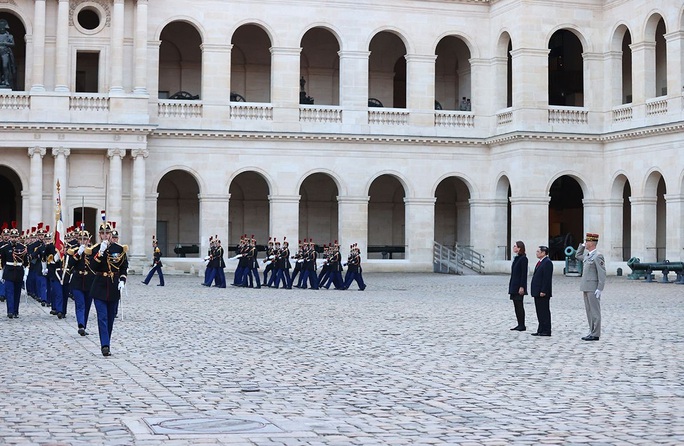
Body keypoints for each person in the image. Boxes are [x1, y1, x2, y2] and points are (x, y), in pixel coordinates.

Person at [87, 221, 128, 357]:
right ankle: (105, 345)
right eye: (103, 233)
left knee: (110, 318)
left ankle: (107, 341)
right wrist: (101, 252)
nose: (105, 236)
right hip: (99, 286)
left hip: (113, 286)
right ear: (99, 235)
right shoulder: (95, 249)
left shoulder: (119, 249)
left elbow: (123, 267)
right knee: (102, 317)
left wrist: (122, 280)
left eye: (108, 233)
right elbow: (92, 266)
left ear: (111, 234)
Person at [576, 233, 606, 341]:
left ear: (592, 243)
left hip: (593, 287)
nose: (586, 243)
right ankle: (592, 331)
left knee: (595, 311)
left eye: (587, 241)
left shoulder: (598, 256)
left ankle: (596, 333)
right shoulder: (588, 255)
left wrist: (600, 288)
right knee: (589, 311)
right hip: (586, 286)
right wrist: (582, 246)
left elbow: (602, 273)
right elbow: (577, 255)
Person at [0, 222, 29, 318]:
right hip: (9, 272)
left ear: (18, 237)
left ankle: (16, 311)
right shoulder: (4, 248)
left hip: (19, 272)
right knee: (9, 293)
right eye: (12, 237)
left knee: (17, 293)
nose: (13, 239)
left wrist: (26, 273)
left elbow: (26, 262)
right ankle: (10, 311)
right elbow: (3, 261)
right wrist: (1, 273)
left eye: (15, 237)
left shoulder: (23, 247)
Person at [530, 245, 553, 337]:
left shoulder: (547, 262)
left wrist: (543, 290)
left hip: (543, 292)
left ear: (543, 253)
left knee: (544, 311)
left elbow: (546, 278)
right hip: (537, 291)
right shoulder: (540, 262)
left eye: (538, 251)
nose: (536, 253)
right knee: (539, 311)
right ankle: (540, 329)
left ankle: (546, 330)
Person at [508, 240, 528, 331]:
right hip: (514, 284)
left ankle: (522, 324)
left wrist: (522, 286)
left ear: (520, 248)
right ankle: (519, 323)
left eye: (515, 246)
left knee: (519, 305)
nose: (514, 247)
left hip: (519, 285)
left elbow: (524, 274)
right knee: (516, 304)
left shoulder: (523, 259)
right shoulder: (517, 258)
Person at [0, 19, 16, 89]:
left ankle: (6, 80)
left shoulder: (9, 36)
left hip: (5, 52)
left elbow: (13, 44)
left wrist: (5, 43)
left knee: (5, 66)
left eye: (3, 26)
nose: (2, 28)